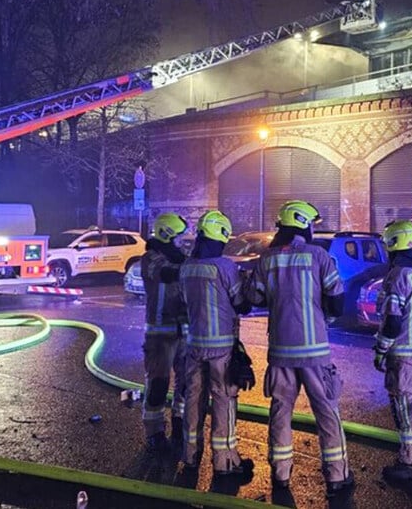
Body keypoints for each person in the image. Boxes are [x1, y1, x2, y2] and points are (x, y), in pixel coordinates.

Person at [246, 200, 354, 498]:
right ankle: (337, 477)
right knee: (327, 412)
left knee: (281, 412)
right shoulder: (319, 256)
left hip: (281, 351)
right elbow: (337, 302)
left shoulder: (267, 259)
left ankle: (280, 475)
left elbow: (254, 298)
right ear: (303, 224)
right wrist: (322, 314)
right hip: (314, 352)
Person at [178, 210, 254, 476]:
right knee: (224, 400)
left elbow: (184, 301)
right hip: (221, 349)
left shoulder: (187, 267)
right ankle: (225, 462)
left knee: (193, 399)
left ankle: (190, 456)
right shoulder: (225, 267)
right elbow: (241, 304)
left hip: (194, 346)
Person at [372, 219, 412, 483]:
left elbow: (393, 322)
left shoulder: (398, 276)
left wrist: (380, 350)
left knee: (405, 407)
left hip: (403, 355)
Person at [140, 212, 189, 456]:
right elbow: (167, 273)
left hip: (183, 331)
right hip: (160, 334)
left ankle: (179, 421)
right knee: (158, 384)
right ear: (167, 235)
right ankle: (154, 432)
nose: (182, 242)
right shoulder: (151, 258)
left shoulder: (181, 259)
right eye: (179, 237)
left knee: (186, 382)